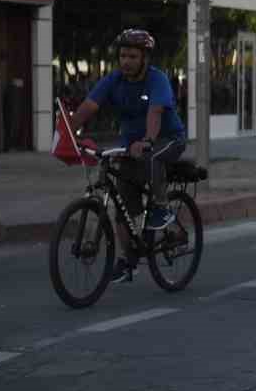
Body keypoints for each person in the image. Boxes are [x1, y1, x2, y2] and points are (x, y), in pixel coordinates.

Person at [65, 29, 188, 283]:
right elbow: (89, 106)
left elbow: (155, 112)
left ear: (144, 58)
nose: (126, 61)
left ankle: (162, 210)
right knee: (121, 199)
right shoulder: (114, 80)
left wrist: (148, 141)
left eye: (132, 56)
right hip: (132, 145)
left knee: (152, 157)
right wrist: (68, 132)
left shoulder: (158, 79)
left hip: (167, 140)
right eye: (122, 56)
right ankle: (128, 260)